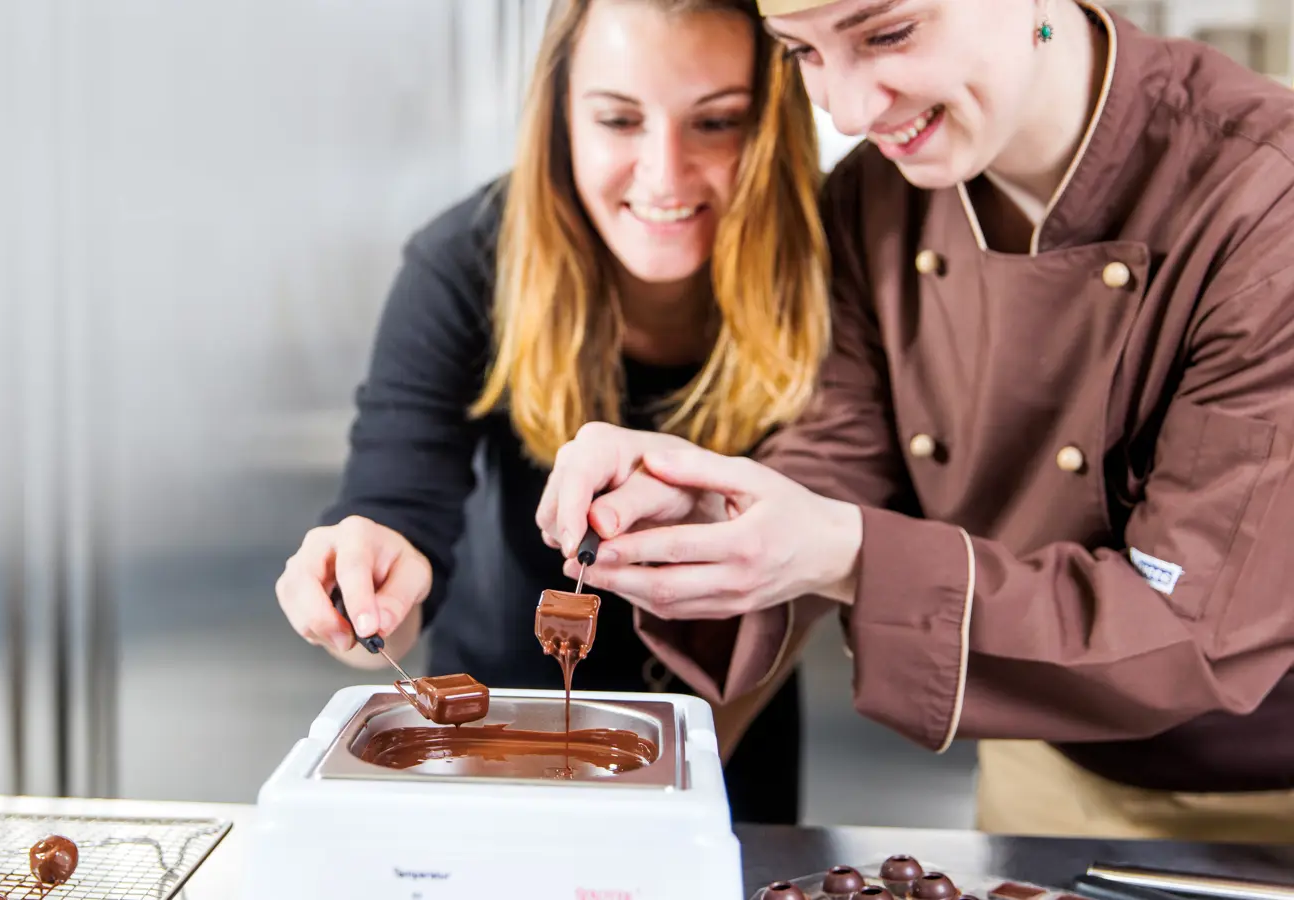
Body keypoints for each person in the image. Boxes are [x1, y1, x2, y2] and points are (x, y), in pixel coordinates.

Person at [537, 0, 1294, 842]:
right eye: (803, 54)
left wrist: (852, 554)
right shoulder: (874, 198)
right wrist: (714, 510)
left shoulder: (1267, 203)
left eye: (887, 34)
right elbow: (835, 461)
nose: (849, 111)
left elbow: (1187, 631)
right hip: (1047, 766)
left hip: (1273, 794)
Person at [272, 0, 829, 823]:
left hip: (731, 745)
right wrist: (370, 576)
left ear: (775, 122)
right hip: (493, 750)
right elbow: (396, 505)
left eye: (717, 123)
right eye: (618, 119)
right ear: (560, 117)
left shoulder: (833, 266)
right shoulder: (463, 265)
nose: (665, 173)